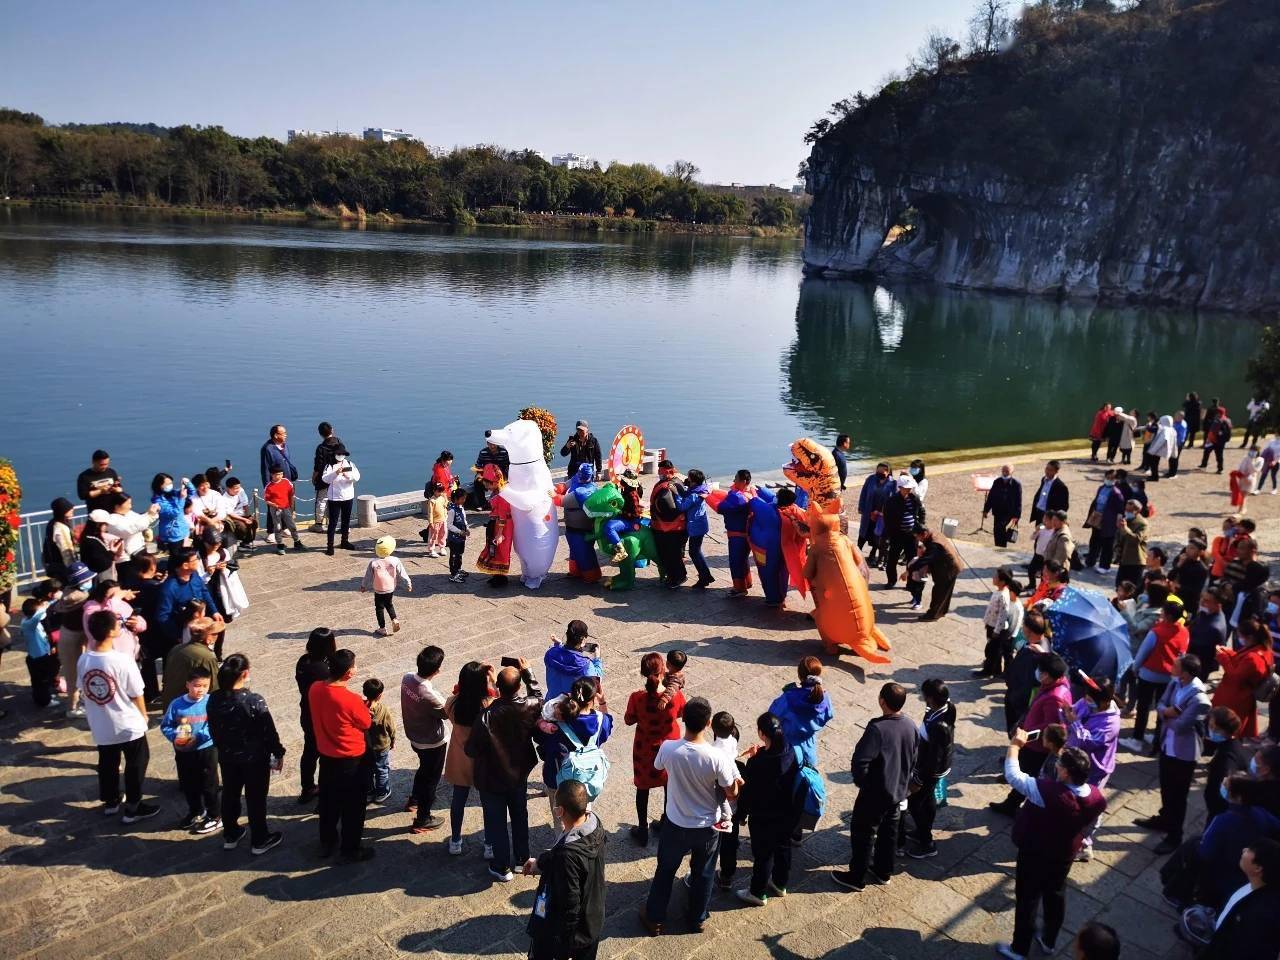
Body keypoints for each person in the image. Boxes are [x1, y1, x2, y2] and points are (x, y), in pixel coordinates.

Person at [639, 696, 741, 936]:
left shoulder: (669, 748)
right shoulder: (717, 757)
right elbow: (732, 792)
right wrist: (736, 782)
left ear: (683, 719)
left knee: (665, 870)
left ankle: (654, 918)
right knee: (704, 873)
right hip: (707, 826)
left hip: (675, 822)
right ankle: (696, 918)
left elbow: (657, 767)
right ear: (708, 724)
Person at [997, 739, 1106, 960]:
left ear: (1065, 773)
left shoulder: (1046, 791)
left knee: (1028, 899)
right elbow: (1094, 823)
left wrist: (1015, 746)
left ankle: (1019, 949)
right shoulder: (1096, 796)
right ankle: (1049, 941)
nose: (1056, 766)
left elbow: (1014, 776)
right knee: (1055, 894)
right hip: (1064, 853)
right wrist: (1082, 838)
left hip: (1034, 852)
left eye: (1060, 764)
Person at [832, 682, 918, 891]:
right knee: (889, 833)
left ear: (882, 701)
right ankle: (883, 871)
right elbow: (914, 757)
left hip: (875, 794)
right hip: (898, 791)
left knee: (863, 834)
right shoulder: (910, 725)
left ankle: (856, 876)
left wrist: (865, 784)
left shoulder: (877, 728)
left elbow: (860, 762)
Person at [79, 610, 160, 823]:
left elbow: (84, 688)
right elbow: (136, 692)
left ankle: (111, 800)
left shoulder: (84, 659)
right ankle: (133, 805)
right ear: (111, 631)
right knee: (136, 763)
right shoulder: (121, 660)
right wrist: (143, 716)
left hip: (101, 722)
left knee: (107, 761)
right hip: (126, 722)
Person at [467, 663, 543, 882]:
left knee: (497, 821)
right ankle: (522, 859)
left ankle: (501, 866)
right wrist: (529, 671)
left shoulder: (486, 716)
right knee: (520, 815)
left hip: (492, 777)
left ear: (498, 687)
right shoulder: (530, 706)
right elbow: (538, 695)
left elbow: (471, 749)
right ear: (519, 686)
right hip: (519, 773)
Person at [207, 654, 285, 855]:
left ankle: (231, 834)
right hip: (254, 759)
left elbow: (213, 727)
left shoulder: (214, 698)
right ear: (244, 673)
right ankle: (260, 839)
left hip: (227, 756)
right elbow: (268, 730)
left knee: (231, 794)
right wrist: (278, 752)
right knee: (255, 798)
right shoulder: (252, 700)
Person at [1133, 654, 1210, 853]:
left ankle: (1174, 836)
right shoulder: (1175, 683)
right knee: (1166, 788)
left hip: (1184, 753)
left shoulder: (1199, 698)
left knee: (1178, 795)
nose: (1171, 667)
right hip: (1168, 745)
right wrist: (1169, 712)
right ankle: (1164, 818)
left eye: (1175, 665)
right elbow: (1160, 704)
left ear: (1185, 672)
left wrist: (1166, 715)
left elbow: (1183, 726)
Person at [523, 779, 607, 960]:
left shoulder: (567, 856)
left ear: (560, 811)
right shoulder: (594, 824)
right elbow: (560, 851)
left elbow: (570, 904)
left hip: (576, 936)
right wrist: (541, 862)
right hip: (594, 915)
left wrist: (566, 948)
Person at [309, 648, 374, 862]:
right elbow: (365, 723)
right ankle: (350, 848)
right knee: (354, 806)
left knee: (328, 802)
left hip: (327, 757)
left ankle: (327, 841)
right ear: (349, 673)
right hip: (351, 759)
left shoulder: (315, 688)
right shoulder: (350, 699)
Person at [733, 711, 801, 906]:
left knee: (763, 854)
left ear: (762, 734)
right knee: (782, 847)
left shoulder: (759, 763)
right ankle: (780, 884)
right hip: (788, 813)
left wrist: (742, 813)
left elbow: (749, 791)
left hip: (765, 815)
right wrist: (760, 752)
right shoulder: (789, 750)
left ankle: (757, 892)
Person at [993, 654, 1073, 815]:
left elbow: (1051, 726)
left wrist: (1026, 733)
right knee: (1024, 768)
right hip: (1030, 740)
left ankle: (1011, 804)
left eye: (1040, 670)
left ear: (1047, 675)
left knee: (1026, 774)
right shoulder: (1052, 687)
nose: (1037, 672)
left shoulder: (1055, 697)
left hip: (1036, 746)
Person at [625, 653, 686, 846]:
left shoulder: (637, 698)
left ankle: (642, 830)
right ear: (663, 671)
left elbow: (628, 719)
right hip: (670, 747)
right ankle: (667, 824)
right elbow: (683, 712)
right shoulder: (675, 697)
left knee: (642, 788)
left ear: (643, 673)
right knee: (670, 786)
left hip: (645, 748)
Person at [1191, 839, 1280, 959]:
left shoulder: (1258, 916)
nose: (1244, 850)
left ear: (1258, 868)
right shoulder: (1251, 883)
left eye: (1250, 850)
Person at [1062, 677, 1121, 861]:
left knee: (1088, 806)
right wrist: (1066, 713)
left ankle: (1085, 844)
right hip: (1074, 758)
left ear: (1104, 701)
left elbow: (1088, 742)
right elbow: (1073, 712)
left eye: (1090, 698)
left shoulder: (1111, 723)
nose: (1085, 700)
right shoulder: (1088, 702)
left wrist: (1074, 722)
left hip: (1094, 768)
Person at [1120, 599, 1189, 752]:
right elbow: (1183, 654)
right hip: (1169, 677)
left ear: (1168, 615)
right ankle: (1157, 738)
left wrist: (1135, 668)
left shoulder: (1156, 632)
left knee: (1143, 707)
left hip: (1149, 675)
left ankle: (1137, 739)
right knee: (1162, 708)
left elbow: (1144, 652)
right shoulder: (1184, 632)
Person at [444, 660, 497, 857]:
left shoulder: (452, 703)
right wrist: (493, 680)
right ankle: (489, 844)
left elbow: (452, 702)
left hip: (460, 757)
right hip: (483, 760)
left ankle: (456, 840)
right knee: (488, 803)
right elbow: (502, 700)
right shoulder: (488, 705)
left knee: (458, 800)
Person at [161, 665, 221, 835]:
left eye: (205, 685)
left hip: (206, 749)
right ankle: (196, 811)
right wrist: (175, 737)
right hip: (184, 752)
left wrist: (199, 737)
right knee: (189, 784)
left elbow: (213, 724)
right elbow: (166, 725)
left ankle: (215, 815)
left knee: (209, 784)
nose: (200, 689)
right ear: (187, 684)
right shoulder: (177, 705)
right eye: (197, 685)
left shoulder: (211, 702)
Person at [899, 679, 954, 859]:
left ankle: (927, 842)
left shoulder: (939, 726)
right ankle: (923, 831)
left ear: (930, 698)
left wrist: (918, 780)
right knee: (926, 799)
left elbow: (934, 759)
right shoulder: (942, 708)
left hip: (930, 770)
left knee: (916, 803)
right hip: (929, 764)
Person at [402, 645, 449, 833]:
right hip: (432, 742)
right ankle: (423, 818)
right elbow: (446, 713)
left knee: (423, 769)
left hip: (414, 736)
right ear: (437, 670)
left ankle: (414, 798)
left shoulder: (406, 678)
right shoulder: (429, 695)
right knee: (431, 779)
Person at [1213, 617, 1274, 739]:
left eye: (1240, 636)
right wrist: (1229, 653)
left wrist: (1222, 657)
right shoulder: (1262, 650)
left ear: (1250, 637)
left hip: (1235, 697)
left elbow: (1235, 675)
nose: (1239, 638)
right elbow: (1242, 661)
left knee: (1225, 727)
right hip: (1241, 695)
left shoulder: (1253, 658)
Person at [769, 656, 834, 770]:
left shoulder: (789, 697)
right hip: (809, 748)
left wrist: (789, 692)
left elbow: (772, 715)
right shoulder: (825, 697)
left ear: (800, 676)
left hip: (788, 749)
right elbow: (829, 715)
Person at [295, 626, 335, 804]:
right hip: (322, 716)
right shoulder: (323, 670)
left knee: (309, 752)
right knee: (327, 755)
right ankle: (326, 791)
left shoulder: (303, 661)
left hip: (307, 712)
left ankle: (307, 787)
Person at [155, 548, 222, 653]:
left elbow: (204, 592)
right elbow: (163, 616)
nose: (198, 561)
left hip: (200, 622)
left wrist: (214, 611)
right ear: (185, 565)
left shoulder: (194, 576)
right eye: (195, 560)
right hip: (184, 631)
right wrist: (177, 636)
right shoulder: (169, 588)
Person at [52, 562, 94, 718]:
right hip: (72, 639)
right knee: (72, 674)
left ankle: (80, 698)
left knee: (80, 671)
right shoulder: (78, 597)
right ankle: (72, 707)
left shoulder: (69, 592)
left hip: (77, 637)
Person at [1001, 609, 1051, 739]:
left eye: (1024, 627)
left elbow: (1028, 682)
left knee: (1016, 731)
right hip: (1015, 695)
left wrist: (1015, 698)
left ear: (1029, 631)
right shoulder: (1038, 643)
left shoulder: (1037, 654)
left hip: (1020, 702)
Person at [977, 566, 1024, 678]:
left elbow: (1003, 615)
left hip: (995, 628)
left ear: (1002, 581)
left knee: (991, 650)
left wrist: (997, 631)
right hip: (991, 624)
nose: (993, 578)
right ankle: (996, 669)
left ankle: (988, 670)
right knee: (993, 649)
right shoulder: (999, 591)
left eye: (995, 577)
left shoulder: (1003, 596)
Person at [360, 535, 412, 636]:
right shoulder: (395, 560)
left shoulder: (373, 562)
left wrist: (363, 586)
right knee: (389, 604)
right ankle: (394, 619)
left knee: (379, 607)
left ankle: (382, 628)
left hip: (379, 588)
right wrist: (408, 583)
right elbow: (402, 573)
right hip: (390, 587)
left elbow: (368, 576)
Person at [1204, 707, 1247, 824]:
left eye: (1214, 728)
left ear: (1224, 730)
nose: (1210, 730)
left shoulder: (1226, 759)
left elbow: (1224, 789)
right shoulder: (1233, 744)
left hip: (1220, 812)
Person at [715, 469, 755, 595]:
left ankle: (739, 588)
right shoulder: (752, 493)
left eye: (736, 479)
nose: (733, 481)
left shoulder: (737, 497)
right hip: (748, 533)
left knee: (736, 560)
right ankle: (747, 582)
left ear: (743, 481)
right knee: (743, 559)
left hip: (737, 535)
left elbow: (721, 508)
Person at [650, 460, 688, 589]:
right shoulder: (678, 481)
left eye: (661, 472)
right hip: (678, 527)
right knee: (675, 554)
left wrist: (658, 511)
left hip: (667, 528)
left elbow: (668, 507)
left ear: (667, 471)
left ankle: (677, 578)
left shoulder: (666, 487)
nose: (659, 474)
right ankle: (676, 575)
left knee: (670, 554)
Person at [881, 477, 924, 589]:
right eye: (906, 488)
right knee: (892, 559)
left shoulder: (914, 498)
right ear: (900, 488)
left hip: (911, 535)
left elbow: (921, 511)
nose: (908, 490)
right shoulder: (892, 501)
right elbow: (887, 518)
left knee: (912, 560)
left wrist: (920, 526)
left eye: (910, 488)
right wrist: (889, 534)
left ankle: (910, 583)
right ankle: (891, 580)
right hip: (897, 535)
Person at [475, 463, 514, 587]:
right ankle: (496, 574)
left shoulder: (502, 495)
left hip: (503, 525)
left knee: (501, 550)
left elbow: (502, 516)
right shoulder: (498, 491)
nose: (486, 486)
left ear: (494, 482)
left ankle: (501, 577)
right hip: (496, 523)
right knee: (494, 549)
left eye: (487, 483)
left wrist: (499, 534)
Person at [912, 526, 962, 621]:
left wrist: (910, 569)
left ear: (924, 534)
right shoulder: (932, 532)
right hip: (948, 566)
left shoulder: (934, 543)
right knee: (945, 592)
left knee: (939, 592)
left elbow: (925, 559)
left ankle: (932, 614)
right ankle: (942, 611)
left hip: (948, 568)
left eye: (917, 537)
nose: (917, 539)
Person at [545, 619, 602, 700]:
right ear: (583, 640)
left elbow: (563, 657)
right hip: (571, 709)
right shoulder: (586, 664)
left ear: (567, 635)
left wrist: (559, 645)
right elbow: (596, 683)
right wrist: (597, 660)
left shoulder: (550, 653)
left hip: (550, 703)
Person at [21, 595, 60, 708]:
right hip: (38, 659)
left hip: (37, 657)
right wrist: (46, 605)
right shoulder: (29, 624)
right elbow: (38, 615)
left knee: (38, 681)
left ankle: (41, 697)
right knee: (42, 681)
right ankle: (45, 701)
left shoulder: (26, 621)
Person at [1082, 470, 1125, 572]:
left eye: (1112, 478)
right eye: (1108, 477)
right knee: (1094, 541)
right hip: (1097, 518)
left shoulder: (1116, 493)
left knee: (1107, 544)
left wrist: (1117, 523)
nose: (1109, 480)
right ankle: (1090, 561)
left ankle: (1104, 566)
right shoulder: (1101, 488)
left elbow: (1120, 510)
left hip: (1108, 522)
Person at [321, 445, 360, 556]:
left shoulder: (350, 464)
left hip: (348, 496)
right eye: (338, 454)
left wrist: (348, 475)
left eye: (342, 454)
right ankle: (330, 545)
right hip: (334, 498)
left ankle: (344, 541)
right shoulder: (329, 465)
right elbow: (325, 479)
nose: (340, 456)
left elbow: (357, 477)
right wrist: (336, 473)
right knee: (332, 523)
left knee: (346, 521)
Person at [678, 469, 713, 588]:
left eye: (689, 478)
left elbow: (682, 507)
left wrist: (677, 495)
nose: (687, 479)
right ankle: (705, 576)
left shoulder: (694, 495)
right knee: (695, 551)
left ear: (693, 481)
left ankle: (705, 576)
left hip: (695, 527)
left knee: (695, 552)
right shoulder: (701, 489)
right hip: (700, 525)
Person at [1188, 584, 1231, 680]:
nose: (1201, 602)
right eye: (1202, 598)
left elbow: (1194, 645)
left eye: (1206, 601)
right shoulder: (1207, 612)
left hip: (1197, 668)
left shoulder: (1214, 627)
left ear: (1218, 605)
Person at [363, 678, 395, 803]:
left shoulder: (361, 707)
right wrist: (392, 740)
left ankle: (369, 791)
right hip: (381, 746)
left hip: (366, 746)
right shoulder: (383, 710)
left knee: (368, 769)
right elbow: (391, 727)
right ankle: (382, 792)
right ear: (380, 695)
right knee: (382, 769)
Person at [856, 462, 896, 560]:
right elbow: (863, 493)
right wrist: (861, 507)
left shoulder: (893, 483)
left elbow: (892, 500)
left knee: (877, 535)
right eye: (878, 471)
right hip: (868, 512)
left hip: (880, 515)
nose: (880, 473)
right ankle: (856, 553)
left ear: (888, 472)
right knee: (863, 533)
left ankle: (873, 554)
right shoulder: (871, 479)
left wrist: (882, 513)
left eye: (883, 471)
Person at [263, 465, 305, 554]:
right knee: (277, 527)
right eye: (278, 474)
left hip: (286, 508)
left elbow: (291, 495)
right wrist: (273, 505)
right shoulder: (269, 487)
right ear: (272, 475)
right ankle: (280, 545)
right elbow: (267, 500)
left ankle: (297, 542)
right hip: (275, 510)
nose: (280, 476)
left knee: (292, 526)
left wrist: (292, 509)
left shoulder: (286, 482)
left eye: (281, 474)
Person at [104, 491, 157, 560]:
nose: (130, 506)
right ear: (117, 506)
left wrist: (153, 513)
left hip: (139, 548)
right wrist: (150, 516)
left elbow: (140, 519)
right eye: (128, 504)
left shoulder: (129, 513)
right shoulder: (111, 520)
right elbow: (130, 530)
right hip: (128, 556)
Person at [150, 473, 195, 554]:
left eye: (171, 483)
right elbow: (174, 513)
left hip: (182, 530)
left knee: (184, 557)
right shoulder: (158, 501)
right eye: (167, 484)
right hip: (172, 535)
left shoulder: (173, 493)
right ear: (160, 486)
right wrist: (181, 499)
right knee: (176, 558)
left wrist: (187, 483)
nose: (170, 485)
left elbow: (192, 492)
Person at [982, 464, 1022, 548]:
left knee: (1000, 528)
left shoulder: (1016, 484)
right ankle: (998, 546)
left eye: (1007, 471)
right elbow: (991, 497)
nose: (1004, 473)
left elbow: (1018, 501)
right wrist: (986, 510)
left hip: (1008, 513)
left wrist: (1017, 516)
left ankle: (1002, 547)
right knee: (997, 530)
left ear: (1011, 472)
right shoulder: (997, 481)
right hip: (997, 511)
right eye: (1003, 471)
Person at [312, 421, 343, 529]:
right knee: (337, 500)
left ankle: (318, 525)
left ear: (320, 434)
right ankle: (335, 523)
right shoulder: (339, 442)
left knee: (321, 500)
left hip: (324, 478)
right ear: (332, 430)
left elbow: (318, 465)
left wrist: (314, 477)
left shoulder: (320, 448)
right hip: (338, 476)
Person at [1112, 499, 1148, 588]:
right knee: (1119, 586)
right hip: (1124, 560)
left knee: (1131, 589)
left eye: (1130, 511)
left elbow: (1136, 539)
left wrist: (1125, 529)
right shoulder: (1126, 520)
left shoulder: (1142, 524)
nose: (1127, 513)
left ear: (1138, 511)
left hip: (1135, 562)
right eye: (1126, 510)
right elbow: (1119, 538)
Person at [41, 497, 78, 583]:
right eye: (69, 508)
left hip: (54, 563)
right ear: (62, 511)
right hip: (62, 566)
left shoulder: (52, 523)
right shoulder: (61, 528)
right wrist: (73, 568)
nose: (72, 509)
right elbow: (65, 550)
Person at [469, 439, 510, 509]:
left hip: (500, 474)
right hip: (486, 474)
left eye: (493, 444)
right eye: (490, 444)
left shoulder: (504, 452)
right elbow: (478, 465)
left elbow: (507, 465)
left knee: (504, 485)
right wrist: (479, 475)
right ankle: (482, 504)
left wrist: (505, 477)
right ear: (487, 444)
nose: (492, 446)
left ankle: (502, 502)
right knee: (477, 482)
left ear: (497, 443)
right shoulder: (483, 452)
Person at [219, 477, 258, 549]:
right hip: (232, 517)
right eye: (235, 488)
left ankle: (246, 542)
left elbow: (245, 504)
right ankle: (239, 540)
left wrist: (248, 516)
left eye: (239, 487)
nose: (238, 490)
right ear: (228, 488)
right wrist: (244, 520)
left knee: (254, 522)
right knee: (242, 526)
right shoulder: (224, 499)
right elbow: (230, 514)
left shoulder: (241, 491)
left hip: (242, 514)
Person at [1028, 460, 1069, 525]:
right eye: (1046, 469)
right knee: (1039, 531)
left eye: (1050, 470)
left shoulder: (1061, 486)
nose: (1047, 471)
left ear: (1056, 471)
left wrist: (1054, 519)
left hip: (1049, 517)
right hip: (1039, 514)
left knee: (1046, 533)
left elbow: (1064, 507)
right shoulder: (1043, 480)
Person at [445, 486, 470, 584]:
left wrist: (467, 528)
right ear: (456, 499)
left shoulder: (461, 508)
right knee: (454, 555)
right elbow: (449, 525)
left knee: (460, 554)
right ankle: (453, 574)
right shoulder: (452, 511)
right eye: (462, 498)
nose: (464, 500)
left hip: (461, 537)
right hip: (454, 538)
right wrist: (460, 531)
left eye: (465, 498)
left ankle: (458, 569)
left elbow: (464, 520)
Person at [422, 481, 449, 557]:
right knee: (433, 536)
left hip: (443, 520)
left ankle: (442, 547)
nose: (440, 492)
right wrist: (431, 522)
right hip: (435, 521)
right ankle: (431, 549)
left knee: (443, 534)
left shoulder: (442, 498)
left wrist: (446, 498)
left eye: (441, 490)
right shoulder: (432, 501)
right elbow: (430, 512)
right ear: (434, 491)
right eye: (438, 490)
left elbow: (445, 505)